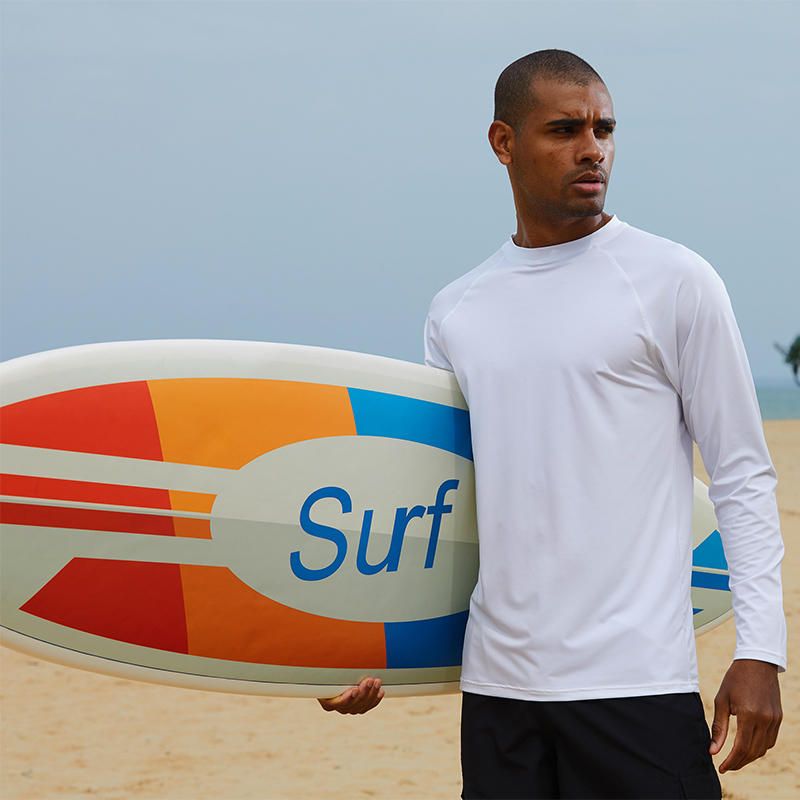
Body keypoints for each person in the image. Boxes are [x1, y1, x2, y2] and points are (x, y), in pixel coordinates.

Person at [317, 49, 786, 799]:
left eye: (603, 128)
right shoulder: (458, 310)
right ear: (504, 143)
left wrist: (761, 650)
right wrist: (378, 648)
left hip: (636, 682)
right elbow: (446, 505)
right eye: (564, 129)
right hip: (500, 694)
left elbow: (740, 474)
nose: (592, 148)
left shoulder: (674, 282)